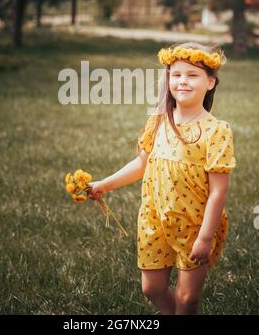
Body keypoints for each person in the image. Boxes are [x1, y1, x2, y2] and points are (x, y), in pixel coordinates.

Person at [87, 42, 236, 315]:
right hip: (154, 220)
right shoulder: (157, 121)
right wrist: (103, 185)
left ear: (210, 82)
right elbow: (141, 164)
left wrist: (204, 238)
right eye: (176, 74)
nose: (183, 81)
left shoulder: (216, 131)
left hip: (194, 224)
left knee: (188, 297)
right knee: (152, 288)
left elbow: (218, 192)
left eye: (193, 75)